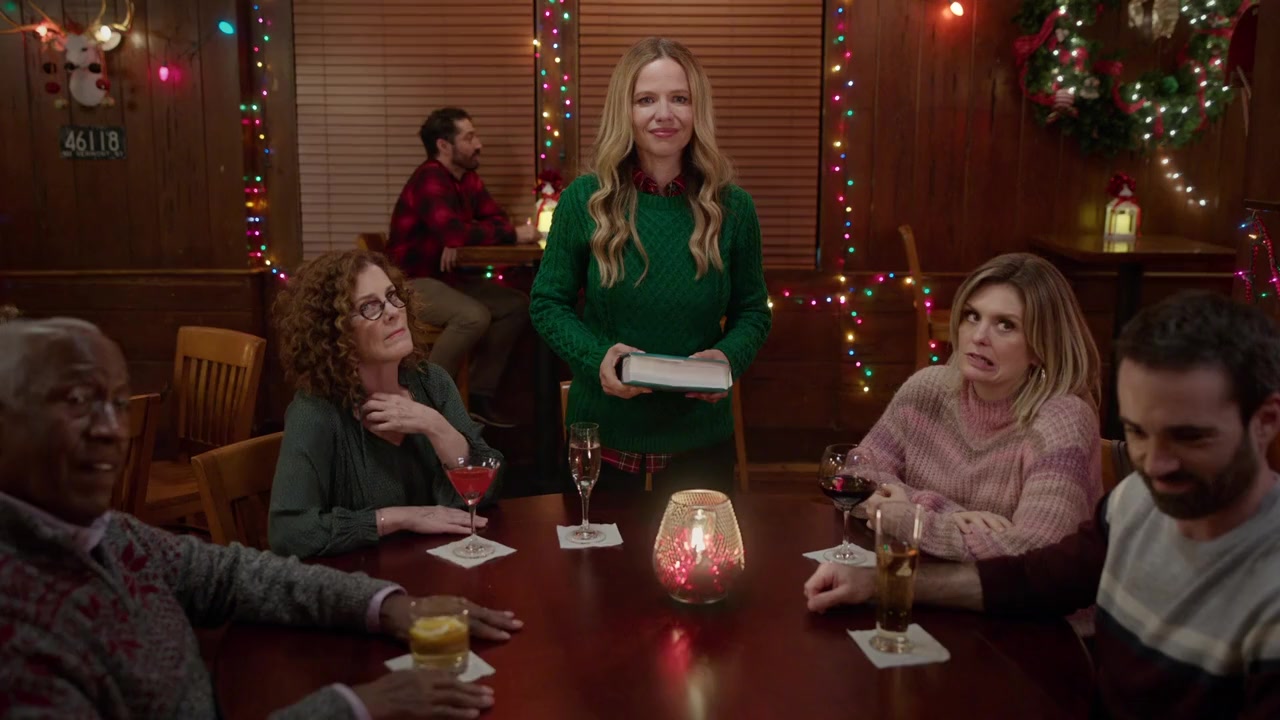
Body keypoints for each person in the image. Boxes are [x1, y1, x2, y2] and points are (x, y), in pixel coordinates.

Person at [0, 318, 523, 718]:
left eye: (118, 403)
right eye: (77, 401)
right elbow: (291, 531)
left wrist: (387, 606)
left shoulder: (112, 534)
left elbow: (234, 574)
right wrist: (355, 705)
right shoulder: (17, 626)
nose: (112, 430)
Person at [804, 291, 1280, 718]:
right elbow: (1036, 579)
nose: (1154, 465)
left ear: (1266, 421)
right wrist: (879, 585)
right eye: (1138, 432)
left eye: (1189, 437)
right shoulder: (1135, 501)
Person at [529, 37, 771, 494]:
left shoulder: (734, 208)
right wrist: (597, 357)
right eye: (646, 100)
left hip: (699, 443)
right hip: (603, 440)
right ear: (625, 110)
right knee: (596, 545)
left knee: (700, 547)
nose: (664, 114)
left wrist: (728, 358)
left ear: (698, 109)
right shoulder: (584, 200)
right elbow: (547, 304)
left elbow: (753, 312)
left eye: (680, 98)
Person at [854, 253, 1102, 561]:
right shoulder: (927, 390)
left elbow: (1037, 552)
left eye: (1005, 325)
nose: (979, 336)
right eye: (972, 316)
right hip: (922, 575)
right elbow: (857, 474)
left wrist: (909, 520)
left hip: (1015, 593)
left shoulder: (1063, 420)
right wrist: (942, 511)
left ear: (1041, 348)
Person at [269, 250, 503, 559]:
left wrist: (435, 426)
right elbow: (289, 532)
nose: (392, 311)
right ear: (335, 332)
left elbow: (487, 491)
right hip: (358, 579)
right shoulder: (315, 411)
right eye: (369, 307)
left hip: (438, 569)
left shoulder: (431, 382)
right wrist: (398, 518)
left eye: (392, 296)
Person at [386, 107, 540, 428]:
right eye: (469, 138)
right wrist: (467, 234)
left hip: (450, 277)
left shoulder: (467, 179)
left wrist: (462, 234)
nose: (478, 144)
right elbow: (456, 232)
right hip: (412, 281)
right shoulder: (430, 177)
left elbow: (494, 219)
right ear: (444, 145)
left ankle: (478, 395)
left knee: (516, 305)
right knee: (473, 316)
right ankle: (426, 400)